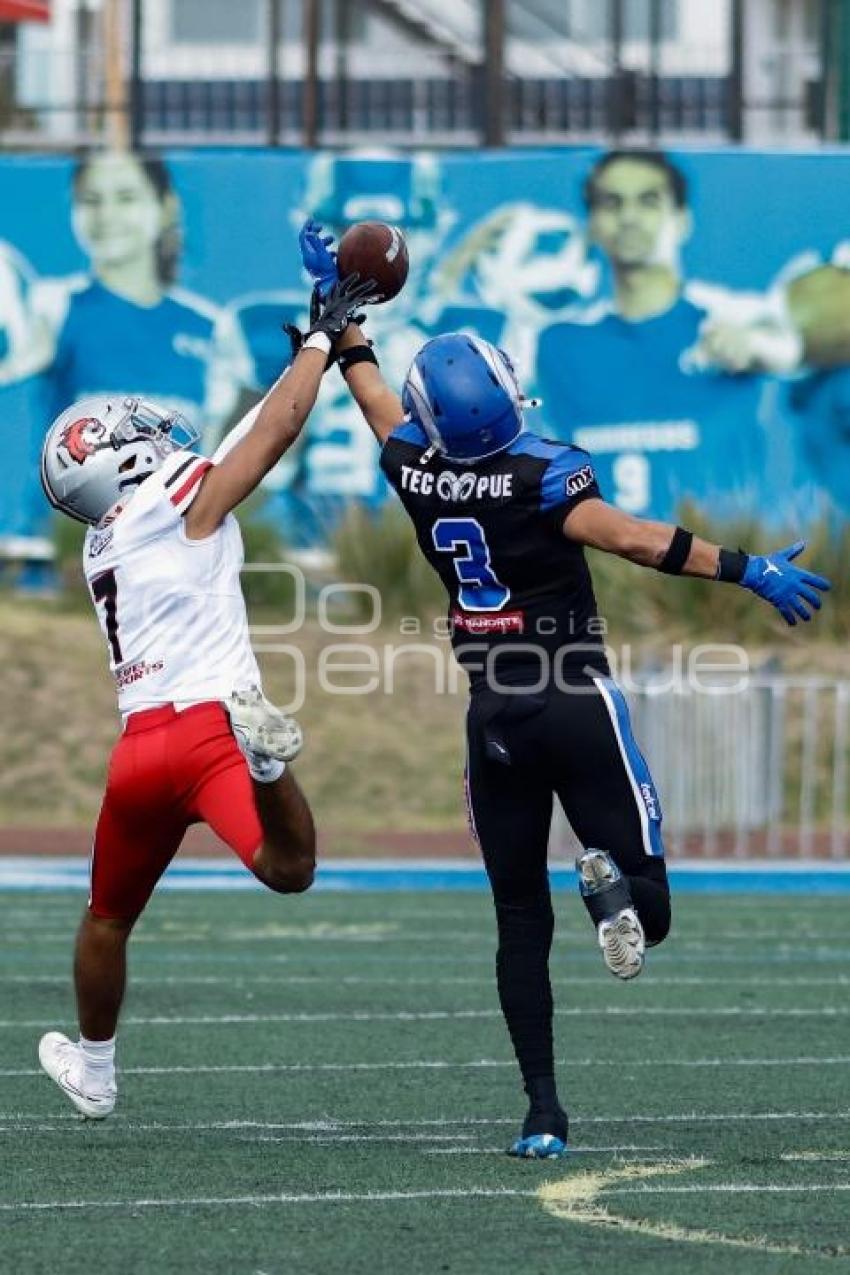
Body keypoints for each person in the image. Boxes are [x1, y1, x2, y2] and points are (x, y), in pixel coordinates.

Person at [301, 218, 832, 1159]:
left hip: (494, 717)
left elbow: (377, 401)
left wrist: (341, 322)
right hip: (578, 700)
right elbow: (637, 539)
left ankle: (542, 1110)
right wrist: (749, 570)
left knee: (516, 921)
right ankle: (613, 888)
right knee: (652, 907)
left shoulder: (416, 472)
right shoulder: (546, 473)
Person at [35, 275, 373, 1120]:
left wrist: (309, 346)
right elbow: (271, 433)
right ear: (120, 457)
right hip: (212, 732)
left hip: (139, 749)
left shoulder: (102, 543)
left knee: (106, 919)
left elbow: (249, 430)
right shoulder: (167, 498)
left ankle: (98, 1072)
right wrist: (324, 342)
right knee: (290, 872)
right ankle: (268, 765)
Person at [536, 150, 798, 522]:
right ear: (592, 225)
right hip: (602, 566)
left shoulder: (733, 317)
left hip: (713, 567)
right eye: (612, 203)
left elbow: (793, 347)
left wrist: (758, 348)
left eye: (649, 202)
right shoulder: (558, 341)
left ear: (682, 221)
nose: (629, 218)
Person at [0, 151, 247, 441]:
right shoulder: (54, 303)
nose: (107, 215)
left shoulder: (211, 326)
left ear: (166, 207)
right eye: (91, 201)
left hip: (175, 488)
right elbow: (23, 349)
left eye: (126, 198)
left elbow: (219, 447)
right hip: (68, 489)